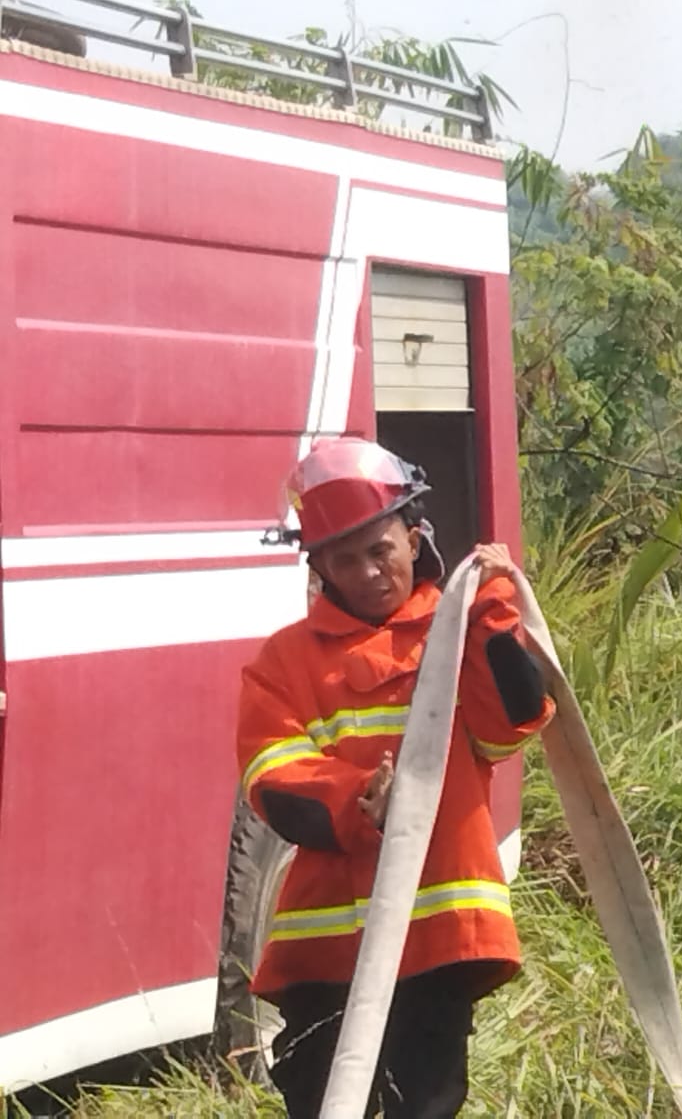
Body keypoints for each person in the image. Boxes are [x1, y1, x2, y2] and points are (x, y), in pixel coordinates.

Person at [236, 437, 555, 1118]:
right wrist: (358, 801)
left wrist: (495, 612)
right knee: (319, 1101)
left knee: (426, 1102)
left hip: (440, 939)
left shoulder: (461, 627)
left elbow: (510, 726)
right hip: (326, 953)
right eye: (344, 560)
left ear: (414, 537)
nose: (368, 572)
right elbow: (272, 777)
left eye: (380, 550)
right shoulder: (283, 663)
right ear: (319, 567)